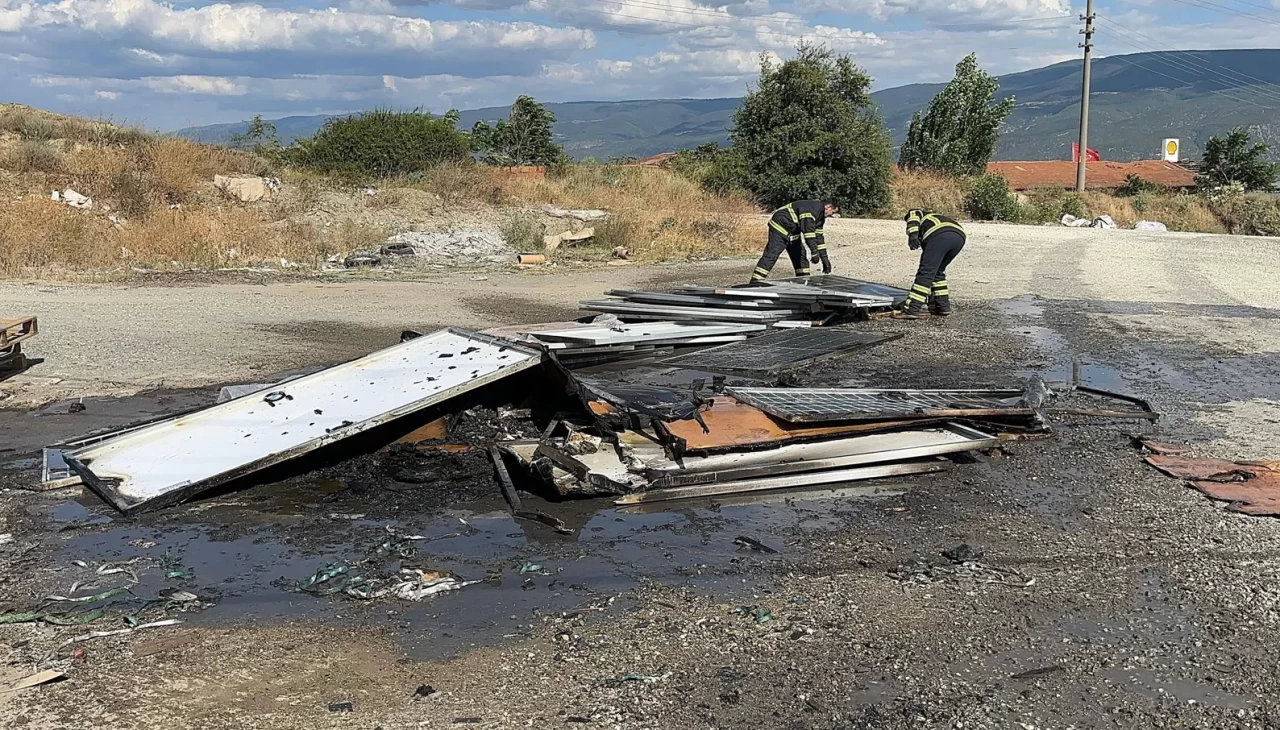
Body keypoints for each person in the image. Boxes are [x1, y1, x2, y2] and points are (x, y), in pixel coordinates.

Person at [895, 209, 965, 318]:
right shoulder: (934, 218)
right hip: (959, 237)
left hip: (940, 234)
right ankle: (942, 306)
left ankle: (912, 309)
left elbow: (913, 215)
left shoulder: (918, 213)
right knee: (938, 271)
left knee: (926, 272)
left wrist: (912, 235)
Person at [749, 200, 838, 283]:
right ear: (828, 207)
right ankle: (755, 282)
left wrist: (825, 260)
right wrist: (814, 252)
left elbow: (819, 238)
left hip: (793, 232)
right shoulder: (811, 209)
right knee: (771, 255)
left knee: (801, 258)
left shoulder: (820, 217)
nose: (831, 215)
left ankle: (803, 283)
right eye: (832, 212)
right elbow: (809, 234)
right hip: (780, 228)